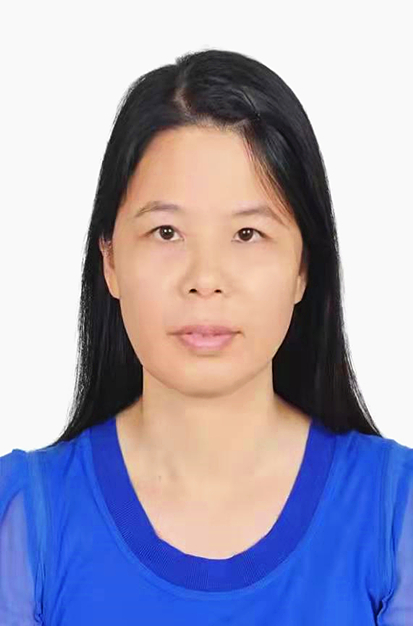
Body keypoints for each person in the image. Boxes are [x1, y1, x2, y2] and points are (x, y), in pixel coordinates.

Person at [1, 48, 411, 624]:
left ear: (303, 268)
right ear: (110, 260)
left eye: (247, 234)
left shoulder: (396, 514)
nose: (205, 279)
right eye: (166, 232)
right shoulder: (23, 518)